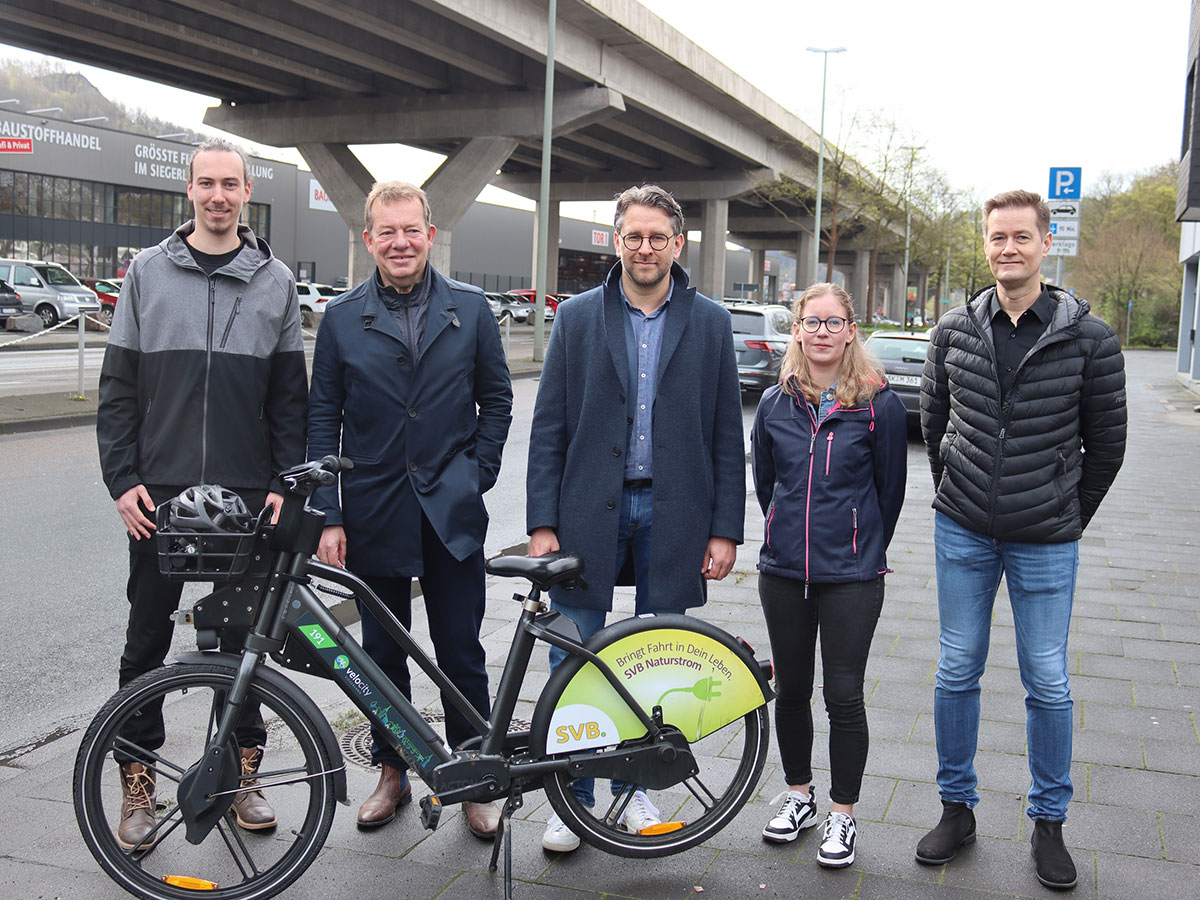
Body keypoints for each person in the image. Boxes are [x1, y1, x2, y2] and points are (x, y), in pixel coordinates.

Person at [97, 137, 308, 850]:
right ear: (189, 191)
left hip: (247, 499)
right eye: (207, 184)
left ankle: (240, 777)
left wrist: (284, 484)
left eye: (231, 185)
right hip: (158, 495)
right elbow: (119, 387)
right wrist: (123, 480)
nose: (219, 195)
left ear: (247, 193)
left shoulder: (275, 280)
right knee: (145, 643)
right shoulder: (146, 274)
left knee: (244, 646)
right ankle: (139, 783)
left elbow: (289, 403)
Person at [526, 183, 745, 852]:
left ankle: (636, 791)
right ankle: (574, 799)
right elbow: (550, 425)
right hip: (590, 508)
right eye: (633, 236)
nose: (645, 248)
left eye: (658, 237)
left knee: (655, 661)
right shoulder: (579, 318)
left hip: (675, 510)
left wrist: (725, 529)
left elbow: (723, 434)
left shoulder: (708, 322)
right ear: (616, 241)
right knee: (581, 655)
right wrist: (542, 521)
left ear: (678, 244)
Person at [917, 190, 1127, 890]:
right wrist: (961, 493)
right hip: (963, 530)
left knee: (1048, 680)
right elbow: (934, 419)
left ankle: (1049, 824)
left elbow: (1109, 445)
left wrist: (1065, 511)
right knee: (955, 671)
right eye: (996, 237)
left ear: (1044, 244)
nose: (1008, 248)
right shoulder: (954, 329)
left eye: (1020, 237)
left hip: (1046, 539)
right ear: (987, 245)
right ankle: (957, 809)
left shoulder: (1089, 338)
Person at [307, 181, 512, 839]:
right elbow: (322, 417)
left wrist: (474, 475)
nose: (400, 242)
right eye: (386, 231)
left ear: (429, 233)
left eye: (410, 230)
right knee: (380, 654)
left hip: (449, 512)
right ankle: (392, 769)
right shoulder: (342, 318)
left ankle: (478, 775)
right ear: (369, 239)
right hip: (372, 510)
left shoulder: (472, 310)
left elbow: (497, 400)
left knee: (461, 650)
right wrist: (328, 512)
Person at [751, 283, 907, 868]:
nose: (821, 332)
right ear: (796, 329)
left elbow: (889, 493)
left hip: (853, 577)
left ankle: (843, 814)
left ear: (850, 331)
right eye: (811, 322)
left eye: (833, 322)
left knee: (843, 695)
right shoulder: (774, 404)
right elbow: (768, 484)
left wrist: (855, 541)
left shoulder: (878, 404)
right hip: (784, 571)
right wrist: (789, 532)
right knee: (790, 691)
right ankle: (798, 796)